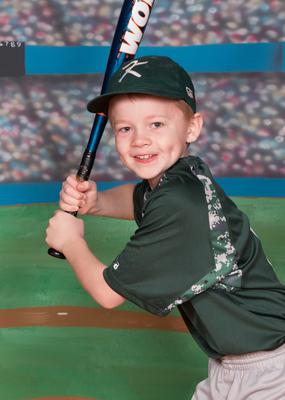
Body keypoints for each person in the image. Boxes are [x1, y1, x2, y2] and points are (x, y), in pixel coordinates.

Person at [46, 55, 285, 399]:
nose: (140, 139)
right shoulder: (179, 179)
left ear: (192, 127)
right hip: (233, 364)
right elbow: (138, 199)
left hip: (269, 370)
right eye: (125, 128)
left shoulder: (181, 202)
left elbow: (108, 294)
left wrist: (71, 242)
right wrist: (95, 203)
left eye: (156, 124)